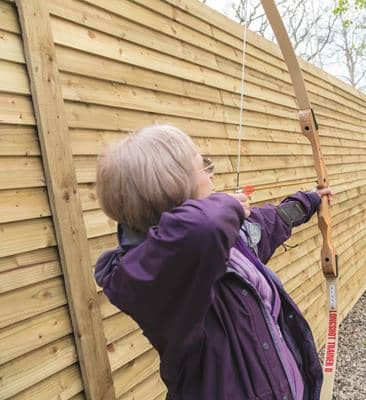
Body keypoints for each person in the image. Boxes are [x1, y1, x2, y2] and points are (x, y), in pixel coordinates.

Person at [94, 124, 331, 399]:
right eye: (202, 166)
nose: (211, 173)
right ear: (173, 186)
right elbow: (204, 227)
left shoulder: (223, 240)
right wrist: (226, 205)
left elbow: (268, 224)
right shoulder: (155, 272)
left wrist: (310, 200)